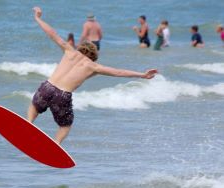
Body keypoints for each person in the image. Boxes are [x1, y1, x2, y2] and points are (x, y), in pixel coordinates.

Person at [28, 7, 158, 145]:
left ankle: (29, 123)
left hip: (48, 86)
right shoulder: (93, 66)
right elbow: (119, 72)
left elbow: (52, 34)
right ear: (93, 56)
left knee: (35, 106)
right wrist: (142, 75)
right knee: (65, 126)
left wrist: (38, 18)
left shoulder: (69, 51)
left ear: (81, 48)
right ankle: (56, 144)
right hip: (62, 95)